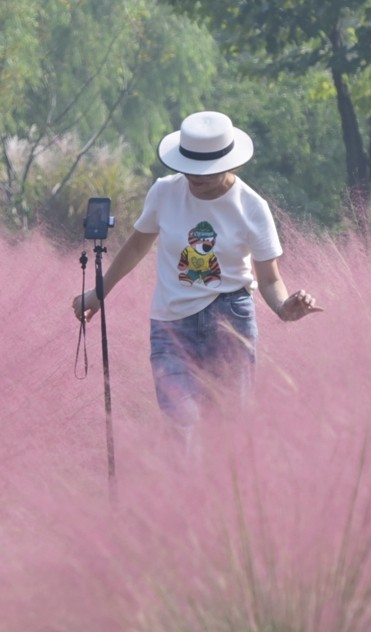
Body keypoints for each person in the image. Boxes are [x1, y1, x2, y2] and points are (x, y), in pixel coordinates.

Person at [70, 111, 321, 435]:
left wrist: (286, 309)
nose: (196, 178)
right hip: (171, 324)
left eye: (206, 172)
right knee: (180, 423)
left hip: (231, 319)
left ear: (231, 164)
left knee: (227, 431)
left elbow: (270, 279)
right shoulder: (164, 192)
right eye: (190, 170)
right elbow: (135, 248)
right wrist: (98, 293)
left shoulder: (252, 207)